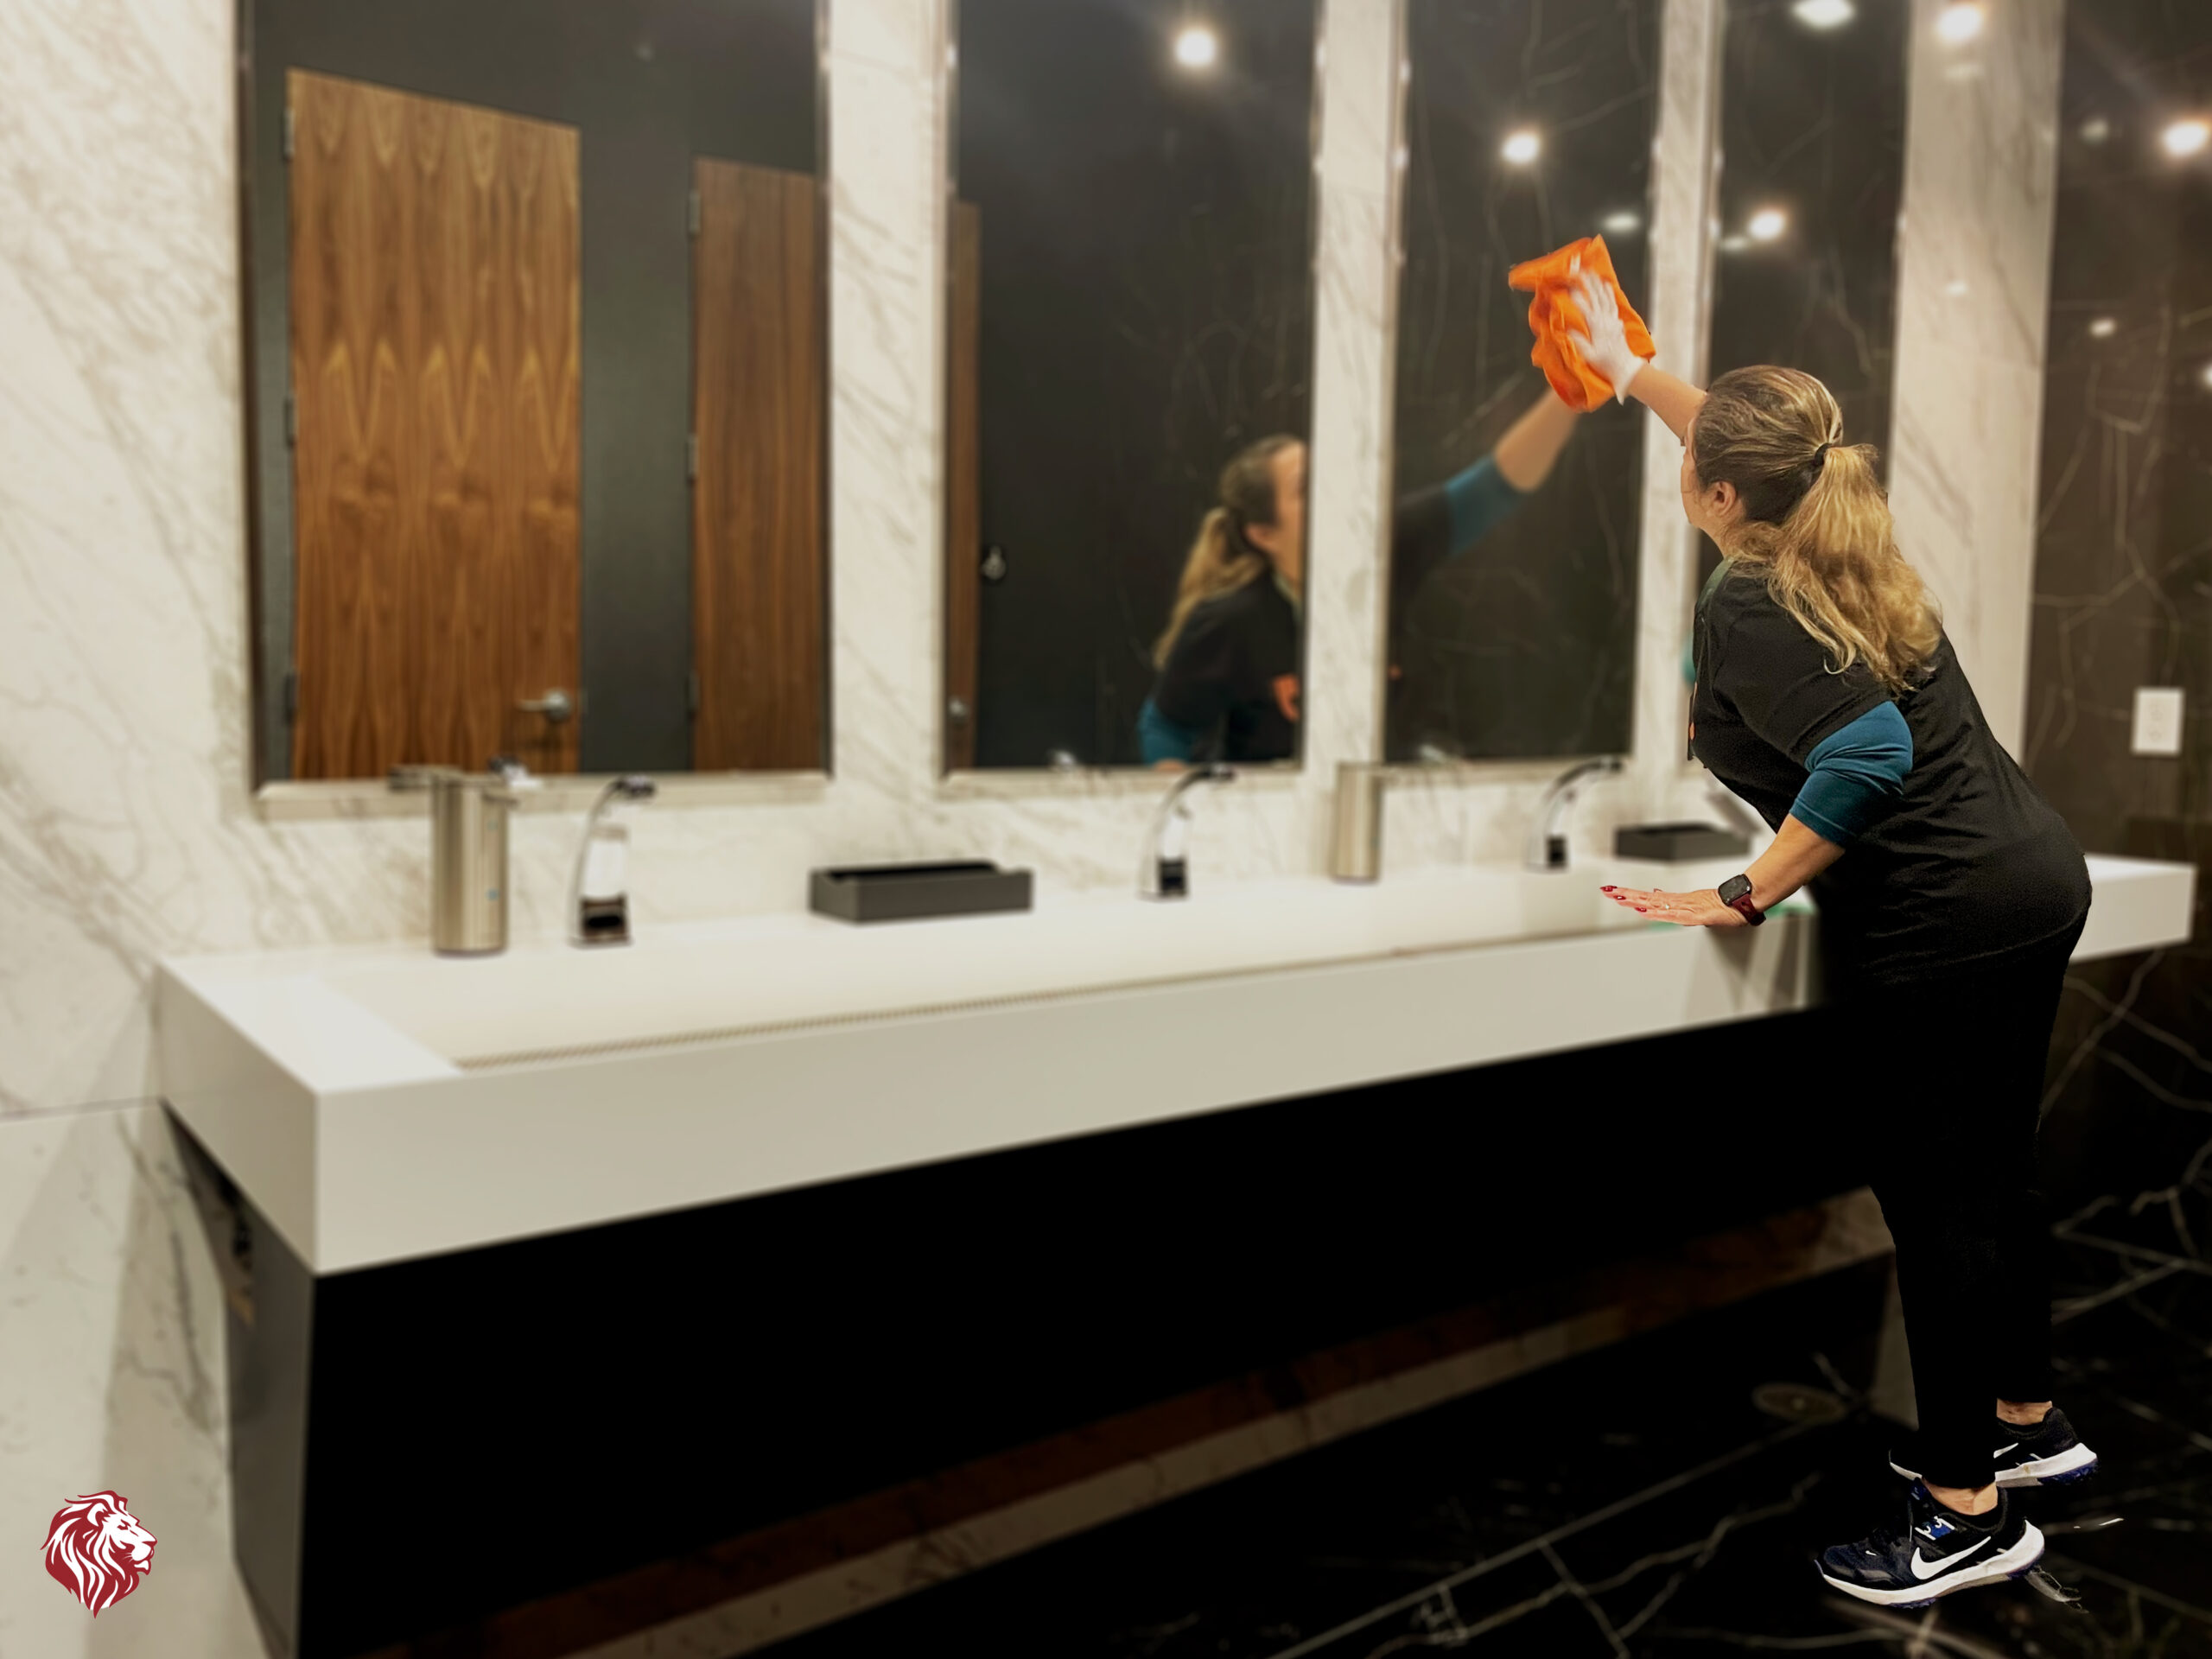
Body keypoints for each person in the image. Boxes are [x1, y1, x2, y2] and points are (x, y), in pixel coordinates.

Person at [1569, 271, 2095, 1608]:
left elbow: (1866, 753)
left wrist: (1745, 891)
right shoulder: (1836, 534)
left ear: (1723, 498)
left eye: (1694, 459)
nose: (1687, 463)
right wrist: (1632, 375)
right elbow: (1748, 447)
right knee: (1996, 1179)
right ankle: (2033, 1429)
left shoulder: (1750, 601)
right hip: (2030, 875)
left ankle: (1968, 1511)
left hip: (1940, 914)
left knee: (1938, 1206)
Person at [1138, 391, 1585, 766]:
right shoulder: (1231, 621)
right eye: (1307, 488)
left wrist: (1570, 387)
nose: (1332, 490)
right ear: (1264, 534)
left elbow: (1498, 484)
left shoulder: (1385, 548)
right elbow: (1163, 729)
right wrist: (1196, 813)